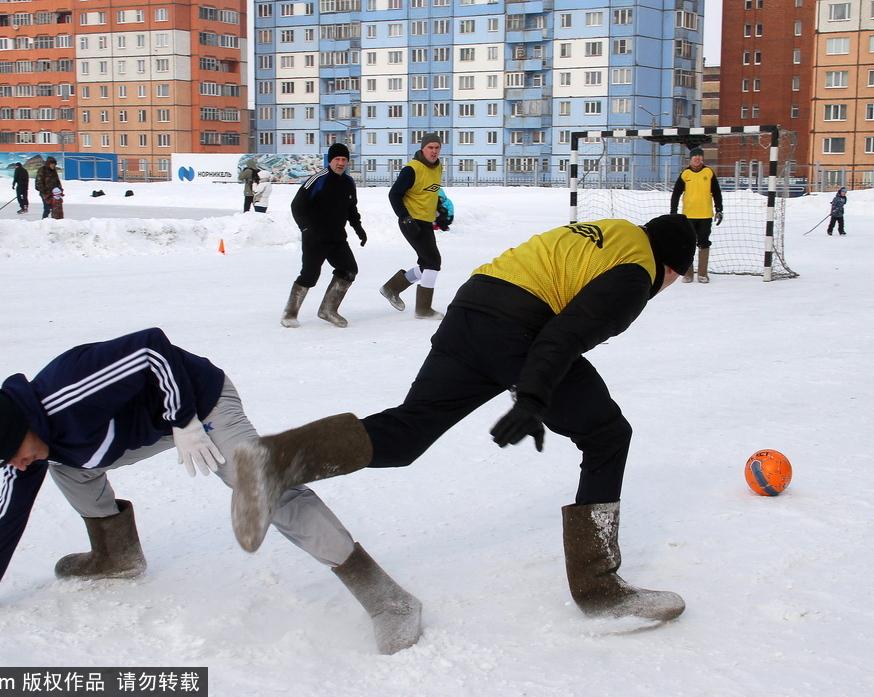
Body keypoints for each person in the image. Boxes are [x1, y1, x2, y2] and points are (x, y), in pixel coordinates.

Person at [231, 215, 698, 627]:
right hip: (520, 327)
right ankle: (599, 590)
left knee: (409, 430)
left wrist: (530, 386)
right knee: (608, 437)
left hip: (473, 306)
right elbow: (565, 334)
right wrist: (533, 397)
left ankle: (275, 459)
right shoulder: (636, 275)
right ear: (672, 267)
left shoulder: (615, 234)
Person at [0, 328, 421, 655]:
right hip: (150, 429)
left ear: (21, 425)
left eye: (14, 454)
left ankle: (388, 600)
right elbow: (10, 513)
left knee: (256, 482)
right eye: (7, 464)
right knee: (68, 469)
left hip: (199, 403)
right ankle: (116, 558)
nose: (16, 465)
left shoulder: (65, 389)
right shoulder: (32, 447)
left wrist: (184, 420)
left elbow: (151, 346)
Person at [280, 142, 367, 329]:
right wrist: (306, 228)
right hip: (315, 236)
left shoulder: (349, 183)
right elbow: (297, 205)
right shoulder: (318, 179)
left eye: (344, 159)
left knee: (349, 270)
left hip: (336, 238)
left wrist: (359, 229)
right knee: (310, 274)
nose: (341, 163)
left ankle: (328, 309)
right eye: (337, 159)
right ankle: (290, 312)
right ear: (330, 160)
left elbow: (351, 208)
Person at [379, 133, 445, 319]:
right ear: (422, 149)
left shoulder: (438, 167)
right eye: (430, 147)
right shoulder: (412, 169)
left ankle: (392, 288)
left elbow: (430, 192)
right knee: (433, 262)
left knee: (428, 263)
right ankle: (423, 309)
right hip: (411, 222)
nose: (434, 151)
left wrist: (439, 211)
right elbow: (394, 194)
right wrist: (405, 217)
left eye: (437, 147)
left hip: (425, 221)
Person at [669, 147, 723, 284]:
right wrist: (673, 212)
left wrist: (719, 209)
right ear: (690, 159)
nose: (697, 159)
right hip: (688, 216)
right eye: (695, 157)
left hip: (705, 215)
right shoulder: (685, 174)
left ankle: (702, 274)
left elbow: (716, 192)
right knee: (688, 244)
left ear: (702, 159)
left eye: (700, 156)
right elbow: (676, 193)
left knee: (704, 242)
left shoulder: (708, 172)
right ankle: (688, 274)